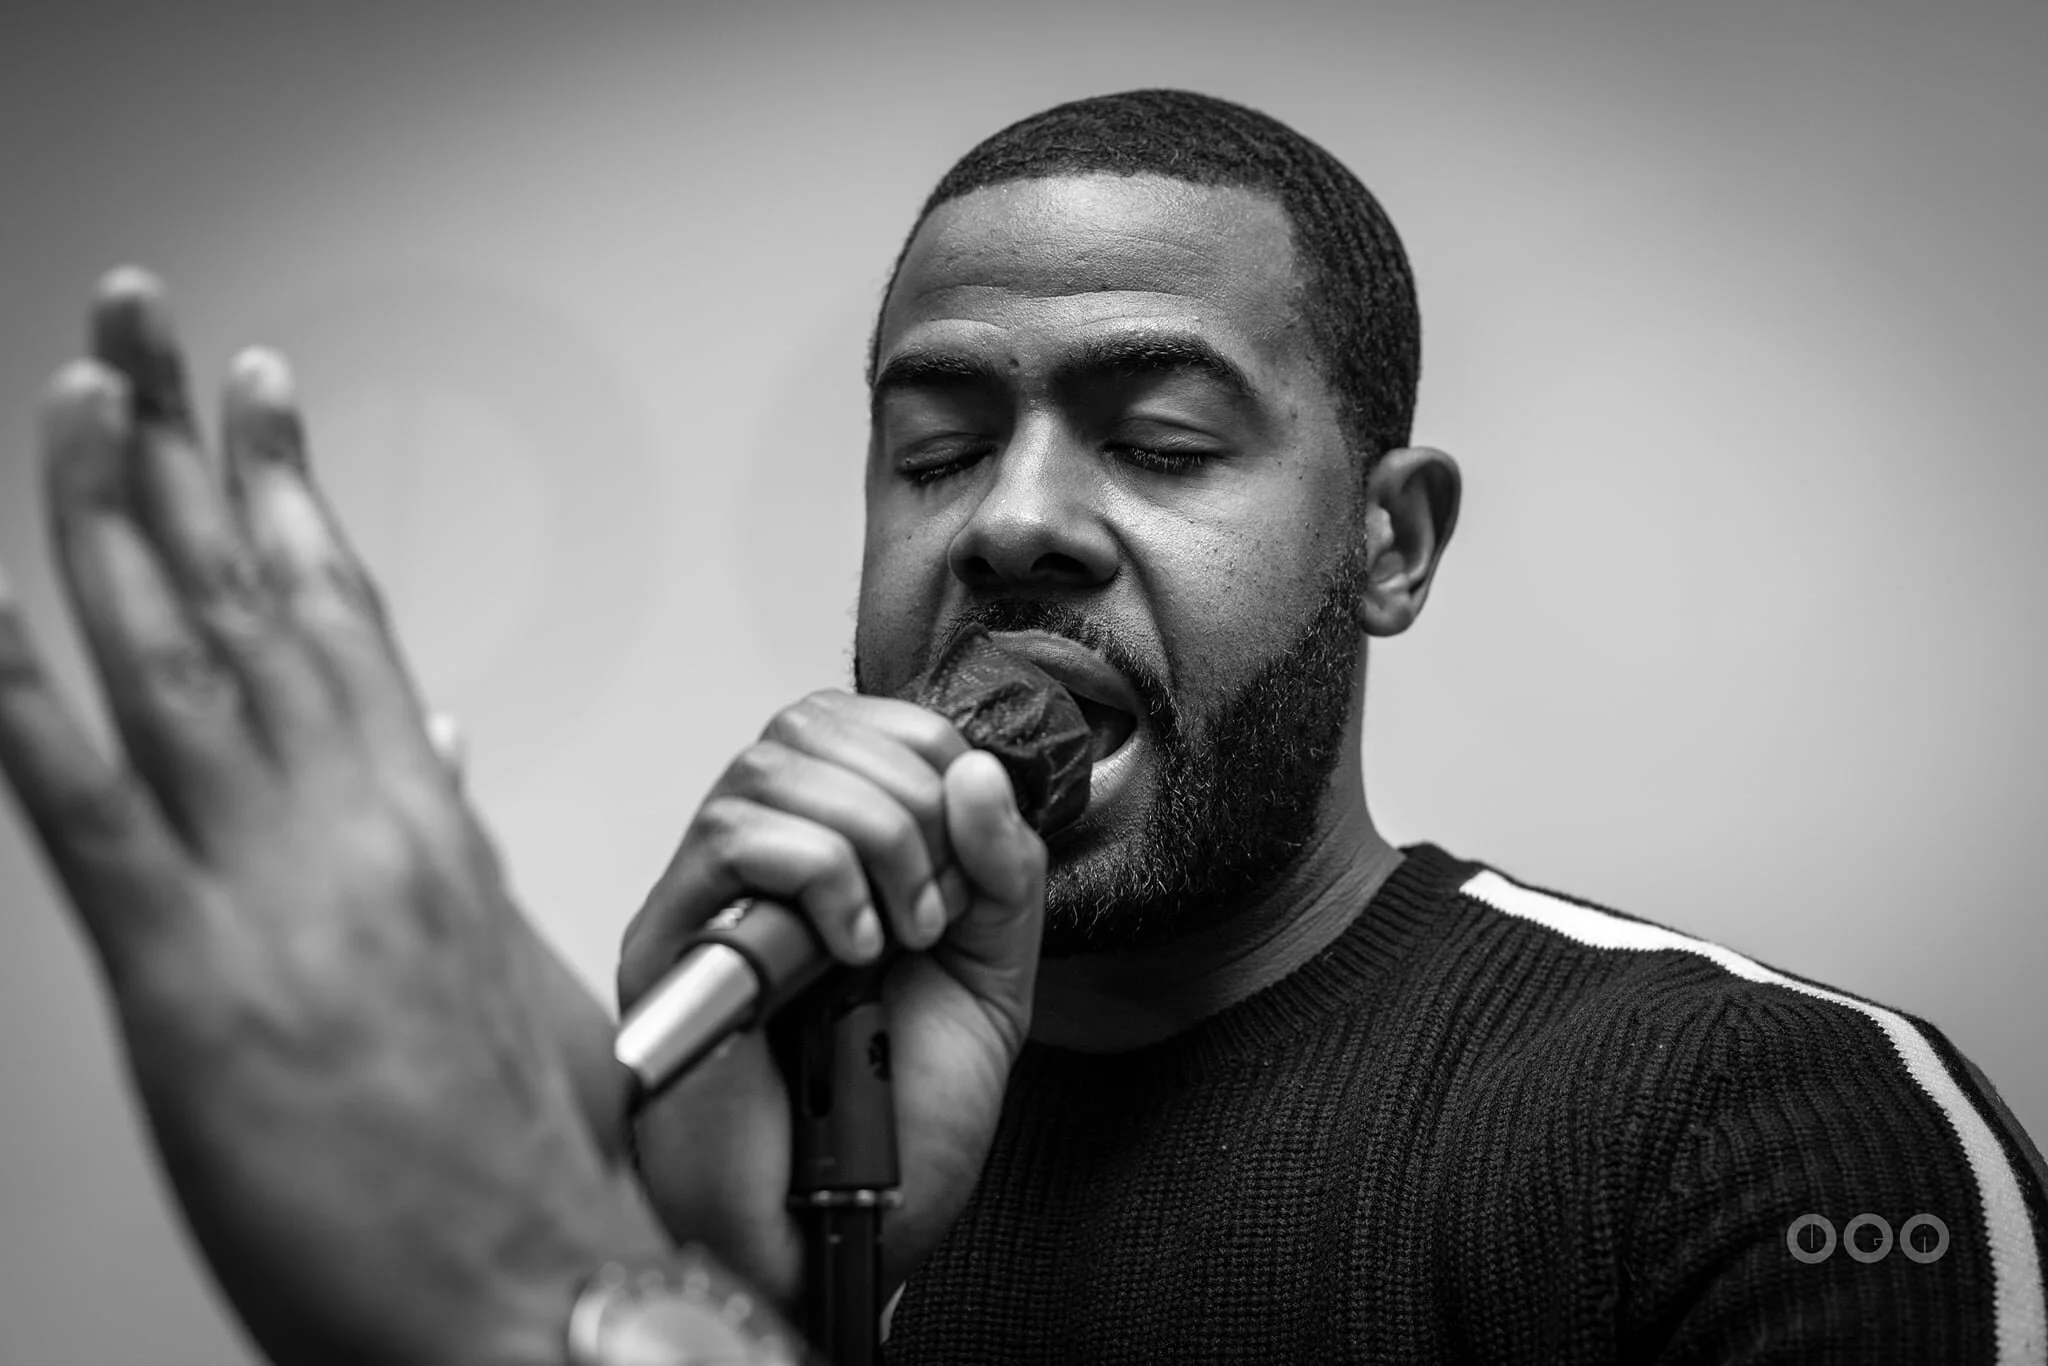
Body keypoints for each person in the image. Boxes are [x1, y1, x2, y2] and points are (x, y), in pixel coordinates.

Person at [0, 86, 2042, 1365]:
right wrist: (748, 1280)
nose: (1013, 522)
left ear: (1391, 541)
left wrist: (559, 1320)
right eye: (935, 449)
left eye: (1159, 440)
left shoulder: (1766, 1124)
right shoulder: (731, 1147)